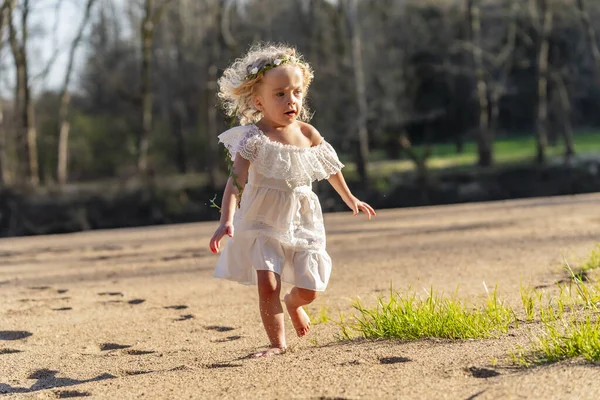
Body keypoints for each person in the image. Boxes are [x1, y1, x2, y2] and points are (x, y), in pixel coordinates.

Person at [209, 43, 375, 357]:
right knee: (267, 282)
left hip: (301, 217)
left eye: (296, 92)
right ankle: (277, 344)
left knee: (311, 287)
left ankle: (295, 303)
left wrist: (350, 198)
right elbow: (236, 182)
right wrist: (226, 220)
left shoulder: (308, 133)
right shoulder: (253, 138)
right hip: (261, 219)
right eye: (280, 94)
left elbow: (331, 169)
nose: (291, 100)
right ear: (259, 100)